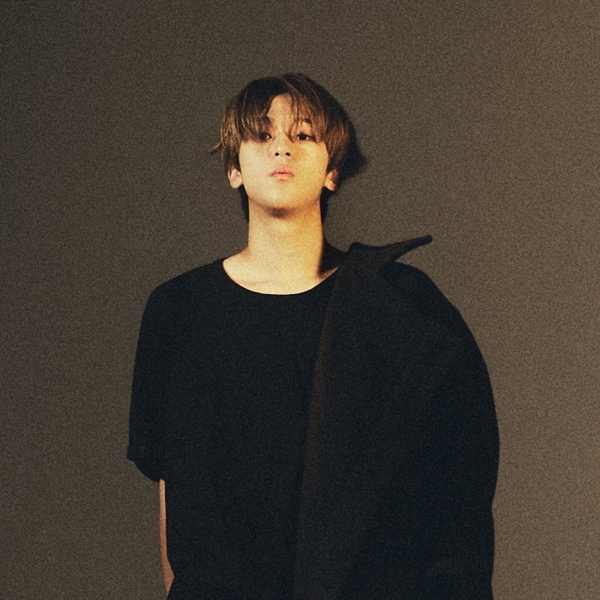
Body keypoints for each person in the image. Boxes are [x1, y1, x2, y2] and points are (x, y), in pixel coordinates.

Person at [128, 73, 499, 600]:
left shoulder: (402, 307)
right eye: (261, 134)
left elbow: (459, 484)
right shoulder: (179, 310)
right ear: (233, 168)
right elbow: (174, 488)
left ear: (332, 170)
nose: (281, 146)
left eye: (303, 134)